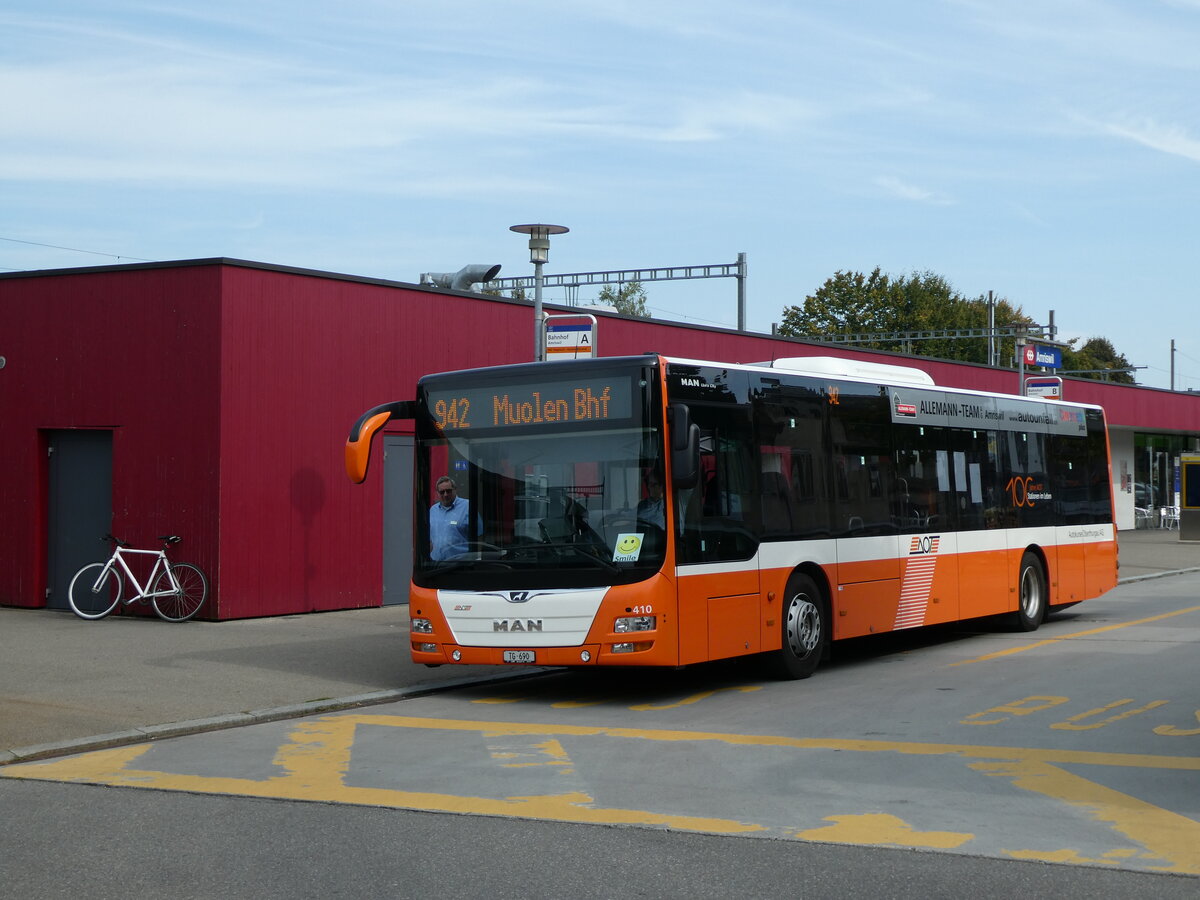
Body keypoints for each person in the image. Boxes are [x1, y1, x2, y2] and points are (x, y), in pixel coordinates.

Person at [429, 476, 472, 560]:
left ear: (455, 490)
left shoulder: (468, 506)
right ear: (437, 493)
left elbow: (480, 536)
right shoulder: (433, 510)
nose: (445, 494)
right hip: (435, 565)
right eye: (442, 492)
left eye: (448, 491)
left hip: (460, 565)